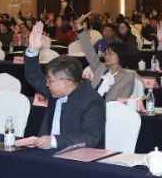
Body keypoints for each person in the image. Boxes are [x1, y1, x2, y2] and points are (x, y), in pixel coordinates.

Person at [22, 21, 105, 149]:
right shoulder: (56, 90)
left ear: (64, 83)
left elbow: (91, 137)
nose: (47, 84)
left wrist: (54, 141)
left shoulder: (92, 101)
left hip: (76, 157)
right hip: (46, 153)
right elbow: (33, 76)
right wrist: (33, 50)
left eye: (50, 80)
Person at [76, 13, 139, 102]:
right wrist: (79, 28)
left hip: (109, 109)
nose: (106, 56)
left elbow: (122, 103)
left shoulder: (127, 78)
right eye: (105, 54)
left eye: (110, 54)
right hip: (89, 105)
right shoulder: (100, 68)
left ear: (120, 56)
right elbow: (89, 50)